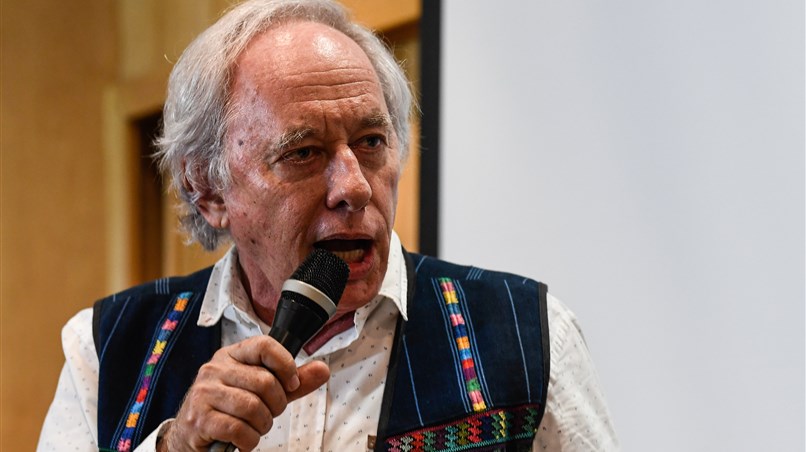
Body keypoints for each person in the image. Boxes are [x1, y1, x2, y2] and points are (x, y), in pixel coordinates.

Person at [38, 0, 619, 450]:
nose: (354, 187)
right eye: (304, 153)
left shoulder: (526, 335)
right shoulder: (106, 350)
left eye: (371, 142)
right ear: (207, 190)